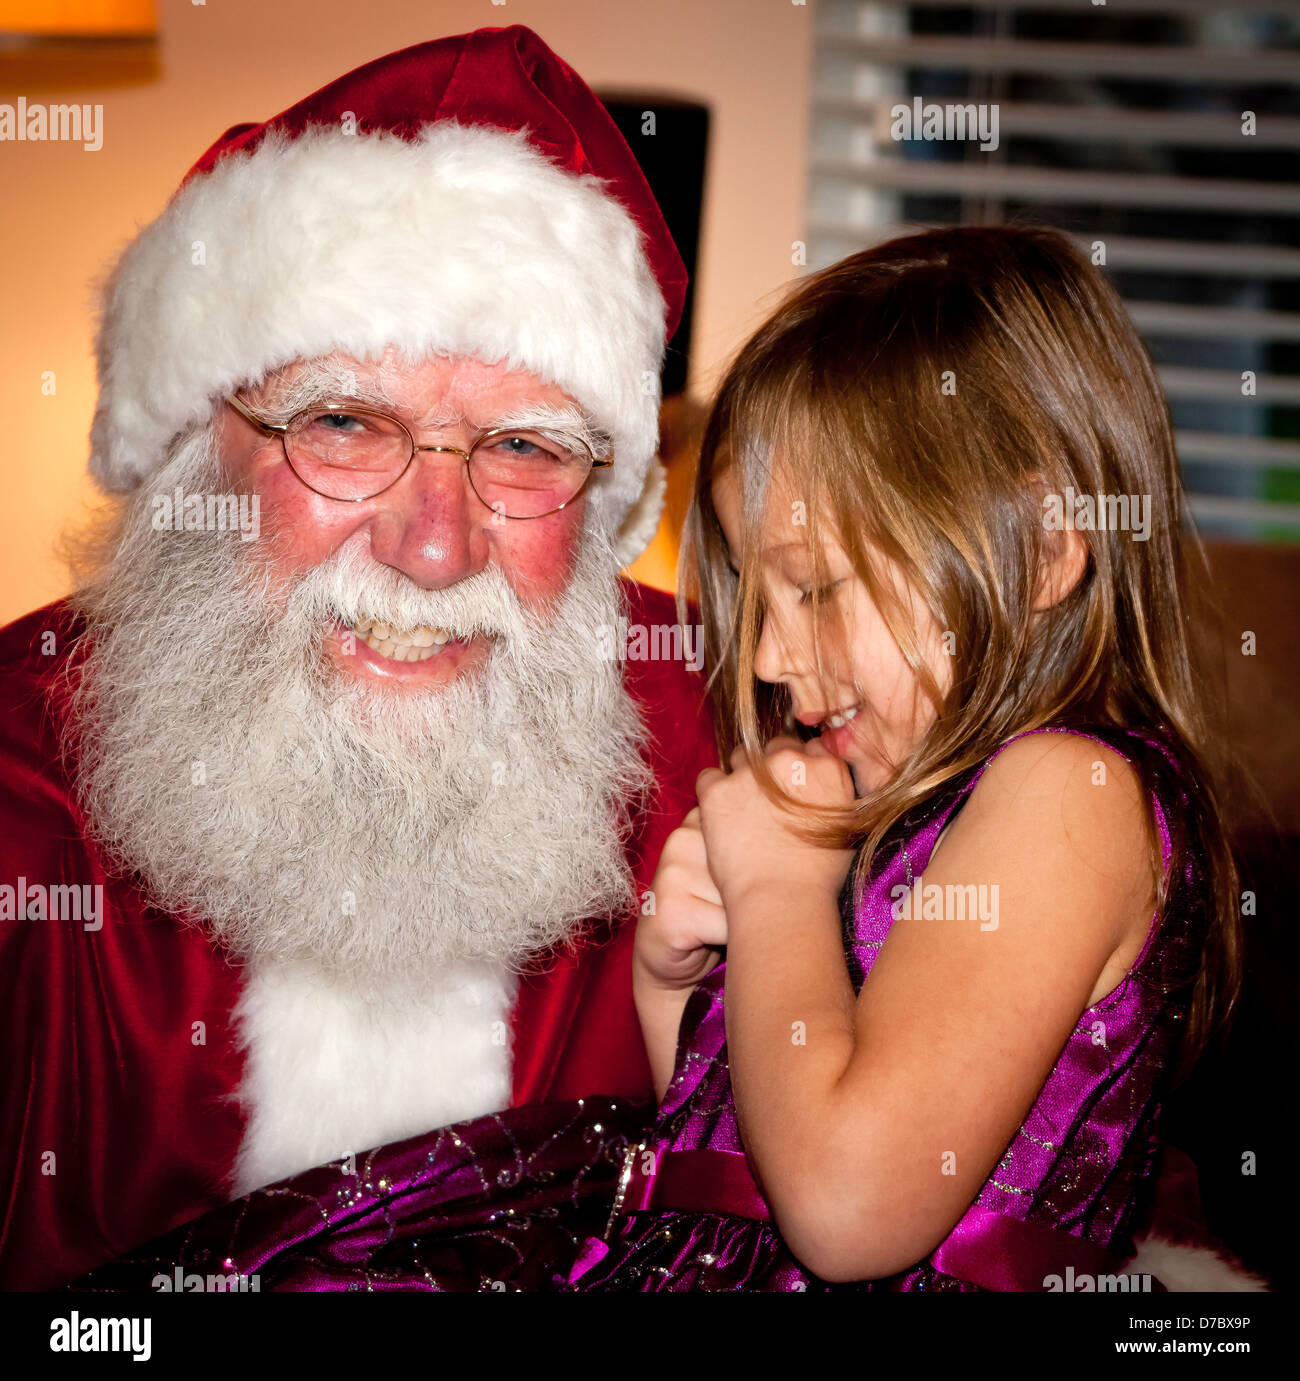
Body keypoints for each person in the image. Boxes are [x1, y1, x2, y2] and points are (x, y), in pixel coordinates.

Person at [76, 226, 1264, 1293]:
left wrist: (782, 894)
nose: (778, 661)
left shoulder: (1069, 794)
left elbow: (846, 1212)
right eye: (759, 595)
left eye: (815, 589)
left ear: (1050, 546)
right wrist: (679, 980)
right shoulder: (922, 799)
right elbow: (725, 1156)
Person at [0, 25, 715, 1291]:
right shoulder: (18, 797)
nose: (434, 550)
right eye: (341, 424)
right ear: (187, 456)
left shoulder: (733, 741)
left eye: (524, 449)